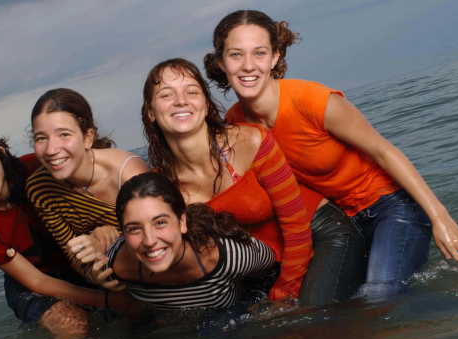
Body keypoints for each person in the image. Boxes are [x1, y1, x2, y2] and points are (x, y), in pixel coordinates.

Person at [203, 9, 458, 296]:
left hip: (390, 207)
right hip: (342, 224)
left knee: (379, 296)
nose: (248, 66)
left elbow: (384, 151)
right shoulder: (235, 126)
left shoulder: (311, 100)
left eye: (259, 53)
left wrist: (441, 219)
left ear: (274, 58)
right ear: (221, 62)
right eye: (236, 55)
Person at [138, 58, 364, 303]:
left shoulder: (250, 141)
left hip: (319, 231)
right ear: (151, 112)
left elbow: (297, 226)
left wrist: (285, 289)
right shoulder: (160, 188)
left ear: (205, 104)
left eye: (191, 92)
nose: (181, 100)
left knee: (310, 316)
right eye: (166, 95)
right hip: (261, 264)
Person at [0, 120, 132, 334]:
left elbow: (98, 197)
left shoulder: (37, 168)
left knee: (130, 317)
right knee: (74, 326)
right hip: (30, 279)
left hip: (76, 259)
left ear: (0, 152)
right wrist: (108, 300)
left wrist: (104, 228)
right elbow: (37, 281)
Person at [92, 172, 279, 313]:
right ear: (123, 233)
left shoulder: (227, 254)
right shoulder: (116, 265)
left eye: (160, 223)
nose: (149, 241)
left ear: (182, 222)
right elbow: (86, 268)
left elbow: (272, 271)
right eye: (134, 228)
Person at [26, 88, 150, 285]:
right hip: (112, 277)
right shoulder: (40, 189)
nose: (51, 150)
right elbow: (73, 253)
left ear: (88, 138)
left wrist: (111, 239)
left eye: (64, 134)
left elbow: (159, 237)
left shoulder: (129, 174)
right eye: (41, 138)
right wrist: (95, 275)